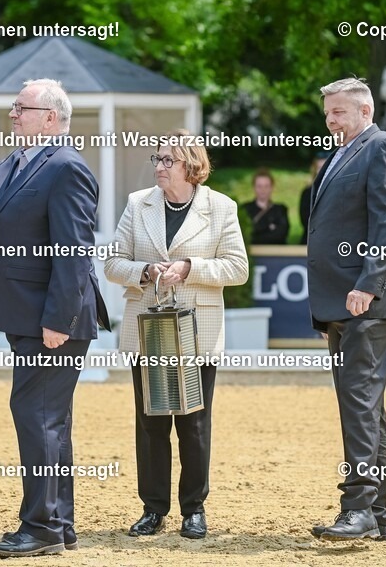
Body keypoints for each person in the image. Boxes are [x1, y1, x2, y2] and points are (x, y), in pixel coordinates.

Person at [0, 79, 109, 558]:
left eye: (21, 108)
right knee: (50, 422)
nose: (13, 114)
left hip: (52, 322)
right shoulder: (18, 163)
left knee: (37, 418)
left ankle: (41, 528)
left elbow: (73, 253)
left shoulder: (66, 168)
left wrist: (58, 320)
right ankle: (59, 524)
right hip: (27, 317)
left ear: (50, 118)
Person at [104, 132, 248, 541]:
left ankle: (194, 509)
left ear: (191, 165)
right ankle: (153, 509)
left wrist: (189, 268)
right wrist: (144, 271)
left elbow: (238, 268)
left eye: (168, 160)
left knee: (193, 425)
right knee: (150, 423)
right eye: (157, 159)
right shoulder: (138, 203)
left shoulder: (221, 207)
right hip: (148, 329)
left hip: (196, 333)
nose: (160, 166)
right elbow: (112, 263)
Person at [307, 78, 386, 542]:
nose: (330, 120)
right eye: (327, 113)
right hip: (343, 303)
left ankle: (358, 508)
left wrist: (369, 285)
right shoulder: (340, 154)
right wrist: (329, 308)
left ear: (365, 110)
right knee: (365, 405)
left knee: (358, 403)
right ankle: (377, 512)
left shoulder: (383, 146)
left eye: (339, 112)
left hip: (368, 301)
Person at [242, 168, 289, 244]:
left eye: (266, 186)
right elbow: (244, 235)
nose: (263, 190)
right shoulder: (245, 209)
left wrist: (257, 232)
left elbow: (281, 234)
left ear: (272, 187)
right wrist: (269, 228)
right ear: (254, 187)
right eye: (259, 186)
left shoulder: (280, 210)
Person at [298, 155, 327, 245]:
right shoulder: (307, 193)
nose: (322, 171)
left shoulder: (338, 191)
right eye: (319, 168)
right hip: (310, 240)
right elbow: (305, 219)